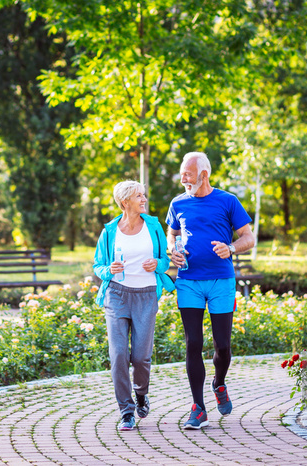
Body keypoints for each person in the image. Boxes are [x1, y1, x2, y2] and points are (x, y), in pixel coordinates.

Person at [165, 152, 255, 430]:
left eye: (188, 174)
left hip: (220, 281)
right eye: (182, 173)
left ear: (204, 175)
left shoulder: (228, 201)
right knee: (193, 343)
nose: (183, 179)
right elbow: (172, 235)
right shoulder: (178, 202)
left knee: (222, 347)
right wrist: (172, 250)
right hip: (189, 280)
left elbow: (248, 238)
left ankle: (219, 383)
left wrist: (230, 248)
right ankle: (198, 407)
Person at [93, 180, 175, 431]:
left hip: (146, 294)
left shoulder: (153, 225)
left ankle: (141, 394)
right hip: (116, 295)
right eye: (138, 196)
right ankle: (126, 411)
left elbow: (164, 260)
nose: (144, 199)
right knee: (118, 356)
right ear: (124, 202)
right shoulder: (109, 231)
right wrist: (108, 270)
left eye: (143, 195)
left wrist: (157, 265)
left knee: (140, 357)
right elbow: (98, 265)